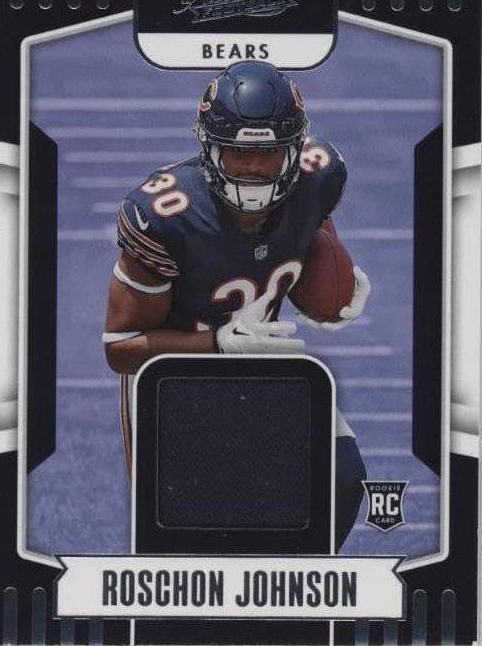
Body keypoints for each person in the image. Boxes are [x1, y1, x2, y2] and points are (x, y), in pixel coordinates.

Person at [103, 61, 370, 550]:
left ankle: (288, 591)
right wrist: (219, 343)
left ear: (293, 150)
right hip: (175, 383)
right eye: (238, 152)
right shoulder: (164, 217)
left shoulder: (318, 178)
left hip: (263, 362)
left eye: (268, 153)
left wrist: (329, 284)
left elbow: (313, 226)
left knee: (342, 481)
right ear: (209, 148)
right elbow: (120, 347)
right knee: (193, 539)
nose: (252, 168)